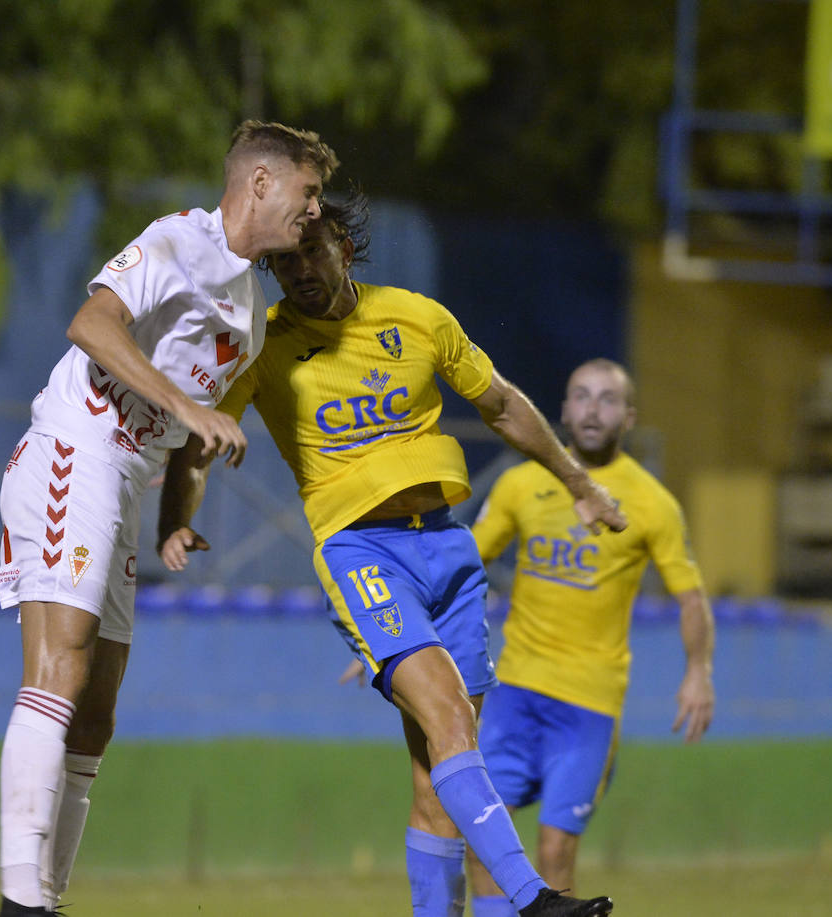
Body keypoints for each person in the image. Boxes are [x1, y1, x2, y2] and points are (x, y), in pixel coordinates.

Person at [158, 192, 624, 917]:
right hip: (361, 552)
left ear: (346, 247)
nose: (301, 270)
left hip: (447, 549)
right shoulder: (265, 343)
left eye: (313, 251)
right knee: (448, 720)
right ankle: (532, 898)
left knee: (438, 774)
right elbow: (199, 437)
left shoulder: (418, 317)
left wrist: (577, 481)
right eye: (284, 262)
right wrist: (175, 517)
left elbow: (499, 403)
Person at [0, 120, 339, 917]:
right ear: (260, 183)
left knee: (99, 710)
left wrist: (175, 518)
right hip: (73, 452)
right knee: (59, 670)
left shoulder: (249, 311)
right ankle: (20, 902)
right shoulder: (178, 241)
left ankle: (48, 893)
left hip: (124, 489)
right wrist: (182, 403)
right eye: (307, 192)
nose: (313, 212)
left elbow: (190, 445)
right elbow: (92, 323)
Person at [465, 358, 716, 917]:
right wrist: (395, 633)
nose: (592, 409)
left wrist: (698, 672)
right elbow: (468, 560)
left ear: (628, 416)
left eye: (607, 399)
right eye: (581, 396)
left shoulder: (652, 502)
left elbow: (691, 597)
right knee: (481, 837)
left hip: (588, 703)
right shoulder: (521, 483)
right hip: (515, 691)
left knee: (555, 851)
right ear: (562, 410)